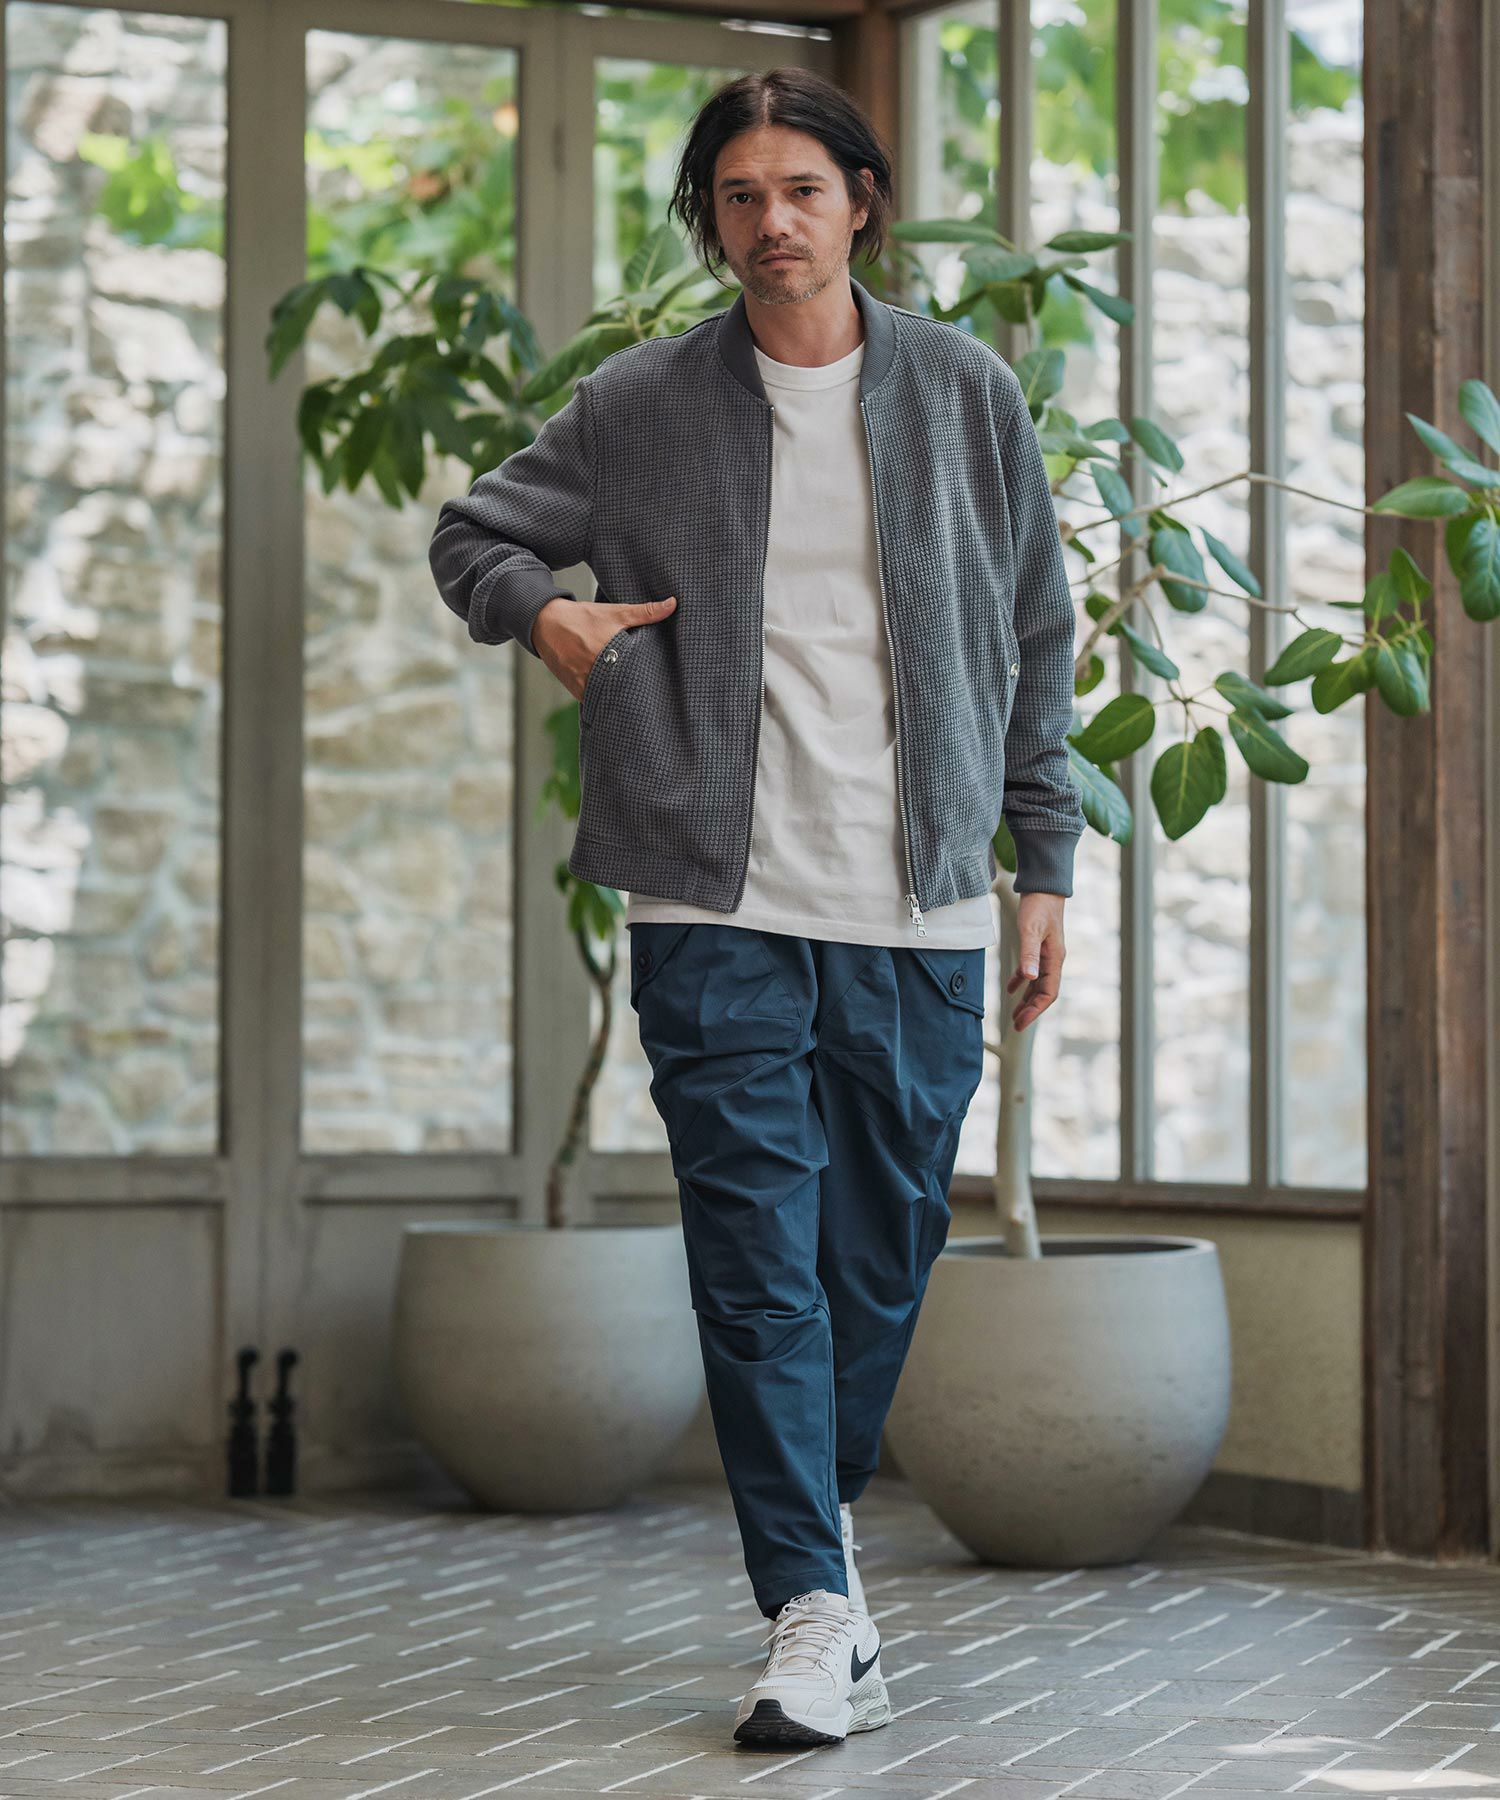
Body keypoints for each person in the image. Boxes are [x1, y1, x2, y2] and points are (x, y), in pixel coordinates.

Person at [429, 67, 1084, 1753]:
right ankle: (805, 1604)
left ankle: (825, 1567)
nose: (771, 221)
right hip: (708, 900)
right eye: (739, 195)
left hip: (917, 897)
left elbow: (1036, 636)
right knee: (751, 1258)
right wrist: (550, 620)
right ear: (708, 220)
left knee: (879, 1252)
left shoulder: (962, 390)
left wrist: (1044, 861)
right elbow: (475, 535)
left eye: (801, 188)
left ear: (861, 201)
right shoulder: (640, 403)